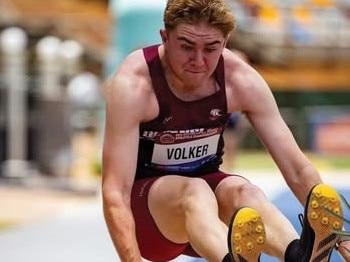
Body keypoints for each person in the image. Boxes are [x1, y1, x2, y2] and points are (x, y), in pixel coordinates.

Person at [101, 0, 349, 261]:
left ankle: (298, 255)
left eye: (210, 48)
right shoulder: (135, 84)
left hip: (210, 218)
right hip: (152, 222)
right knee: (194, 193)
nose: (198, 61)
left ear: (226, 41)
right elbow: (115, 191)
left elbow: (297, 168)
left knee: (245, 192)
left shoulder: (239, 78)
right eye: (186, 47)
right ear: (165, 37)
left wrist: (343, 242)